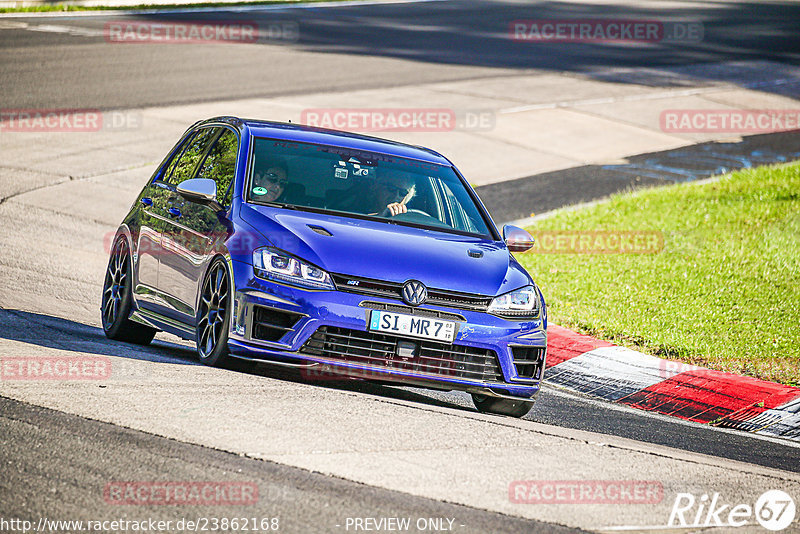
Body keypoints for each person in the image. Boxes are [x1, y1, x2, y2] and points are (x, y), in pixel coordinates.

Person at [329, 172, 415, 217]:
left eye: (403, 193)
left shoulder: (415, 220)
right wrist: (381, 216)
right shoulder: (353, 207)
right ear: (376, 187)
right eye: (391, 189)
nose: (396, 196)